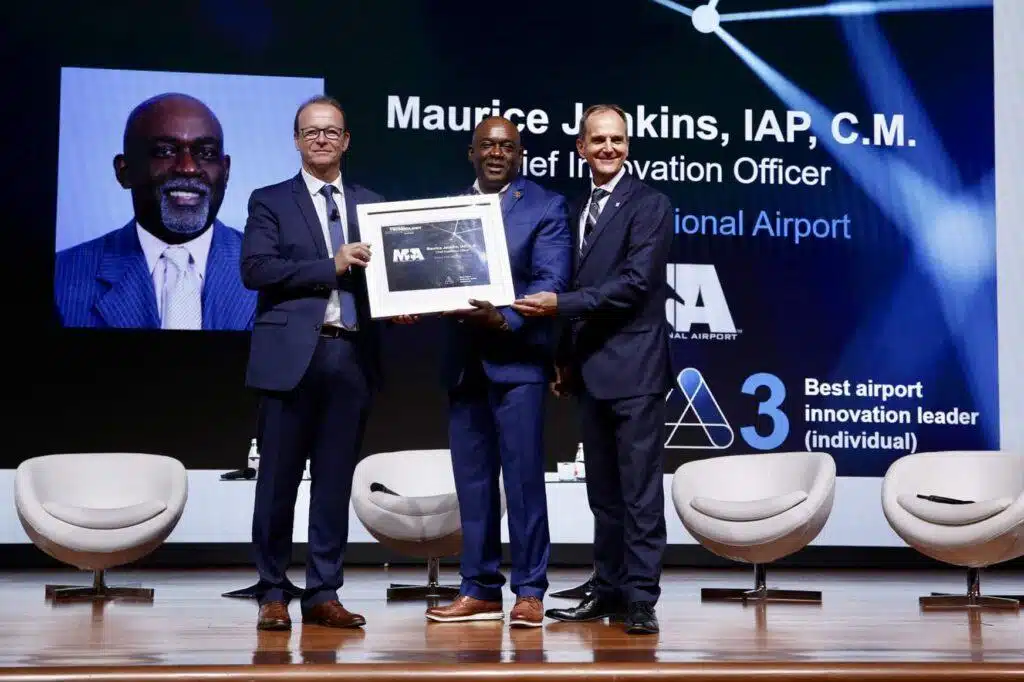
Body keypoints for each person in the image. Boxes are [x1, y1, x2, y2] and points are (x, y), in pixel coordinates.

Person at [397, 117, 572, 627]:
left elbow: (553, 279)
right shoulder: (447, 211)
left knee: (522, 483)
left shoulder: (544, 205)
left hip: (518, 362)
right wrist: (410, 301)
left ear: (520, 154)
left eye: (507, 146)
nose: (497, 153)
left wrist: (505, 318)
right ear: (470, 152)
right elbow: (429, 276)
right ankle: (478, 589)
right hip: (462, 366)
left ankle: (530, 590)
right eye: (487, 145)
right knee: (472, 487)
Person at [512, 104, 673, 635]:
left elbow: (634, 284)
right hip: (590, 371)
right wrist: (563, 358)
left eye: (618, 140)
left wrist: (561, 306)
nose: (609, 148)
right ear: (580, 148)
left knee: (640, 494)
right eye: (599, 140)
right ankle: (607, 588)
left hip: (636, 370)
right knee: (602, 494)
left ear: (628, 146)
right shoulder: (580, 209)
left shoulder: (650, 204)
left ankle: (641, 599)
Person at [240, 94, 384, 631]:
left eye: (331, 131)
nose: (321, 138)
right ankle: (273, 590)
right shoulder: (270, 200)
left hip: (351, 355)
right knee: (277, 482)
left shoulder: (371, 205)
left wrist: (400, 308)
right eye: (311, 131)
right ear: (297, 140)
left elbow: (387, 280)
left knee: (332, 483)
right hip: (290, 358)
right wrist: (331, 264)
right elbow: (256, 269)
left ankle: (324, 592)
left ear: (346, 140)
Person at [54, 92, 255, 330]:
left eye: (206, 153)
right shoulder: (60, 277)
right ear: (124, 171)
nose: (188, 168)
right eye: (165, 151)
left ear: (226, 170)